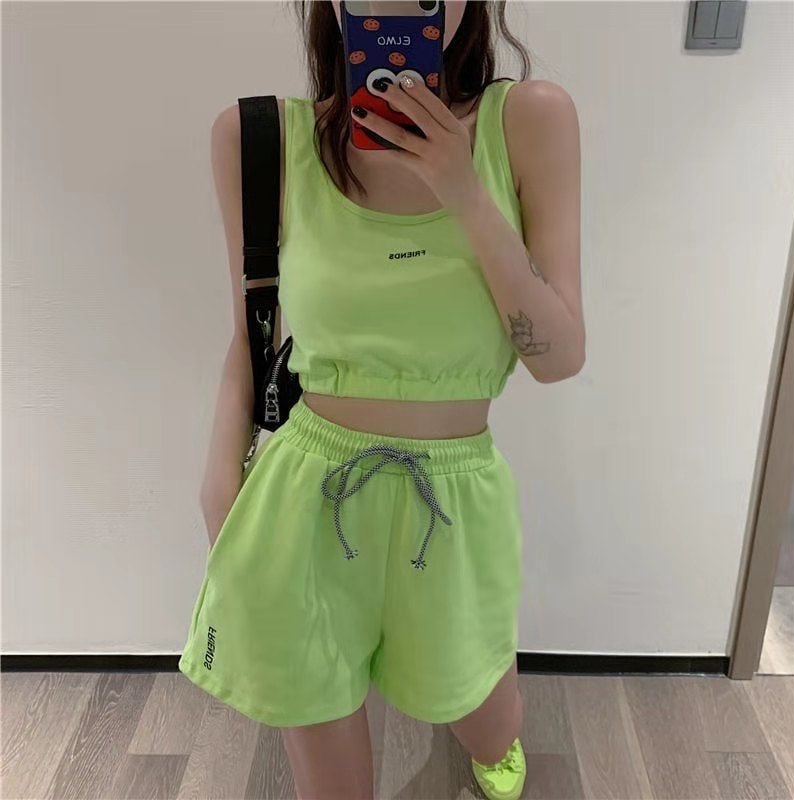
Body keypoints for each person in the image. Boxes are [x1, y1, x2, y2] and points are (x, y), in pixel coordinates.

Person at [178, 2, 584, 798]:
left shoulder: (529, 122)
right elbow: (252, 330)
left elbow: (559, 358)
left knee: (487, 717)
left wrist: (462, 189)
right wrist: (220, 489)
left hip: (453, 502)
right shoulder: (261, 139)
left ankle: (490, 742)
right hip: (303, 499)